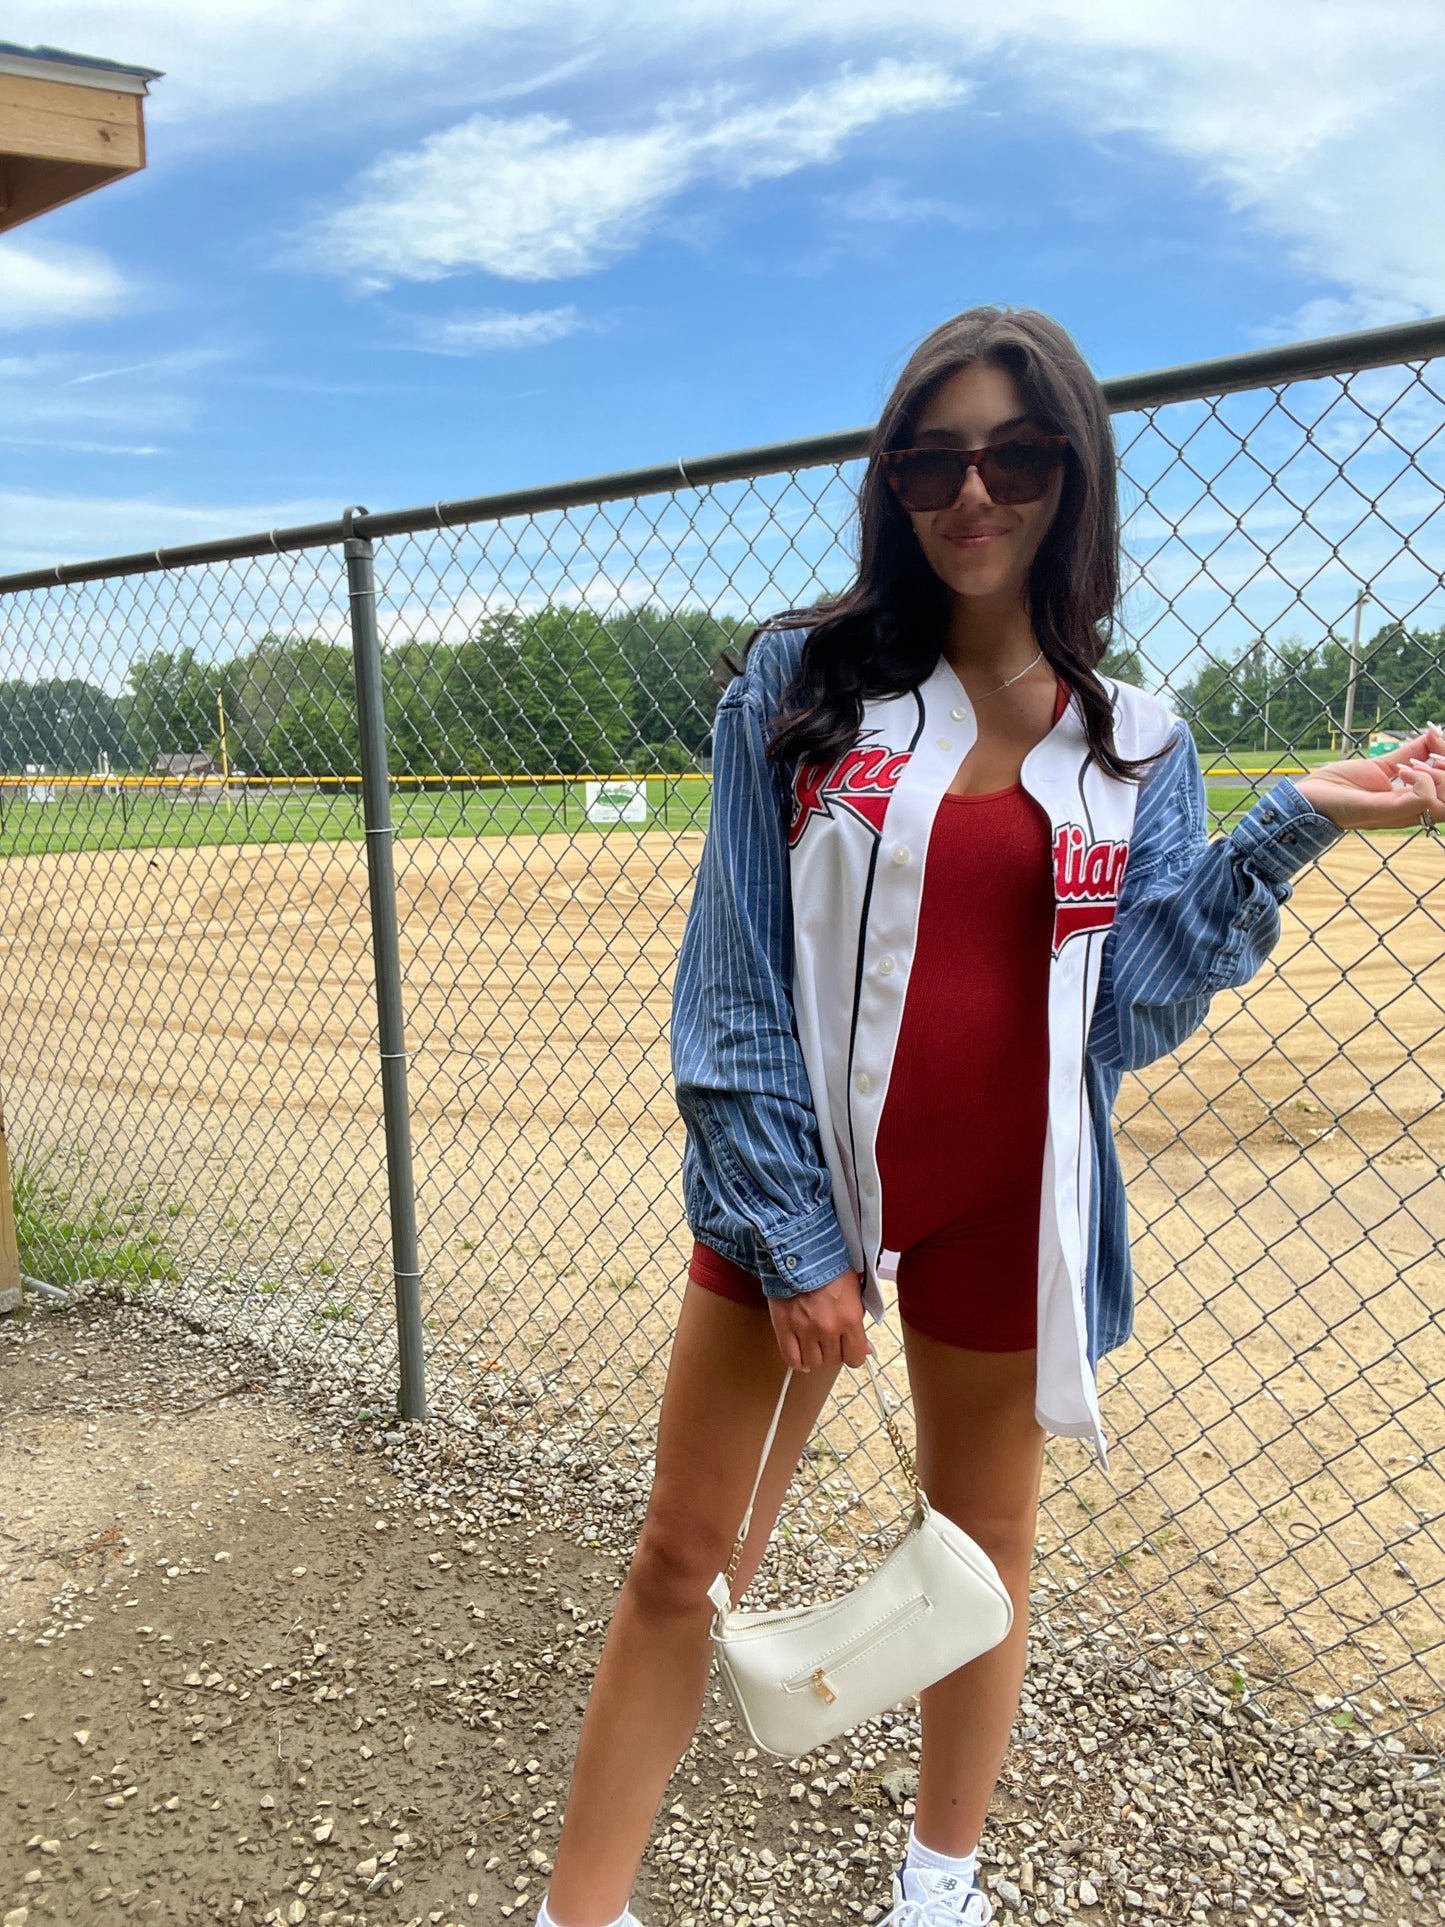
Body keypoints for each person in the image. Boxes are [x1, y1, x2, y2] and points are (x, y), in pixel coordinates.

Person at [535, 306, 1445, 1927]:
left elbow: (1137, 1001)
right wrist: (801, 1238)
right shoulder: (793, 690)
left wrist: (1289, 823)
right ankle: (572, 1915)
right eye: (935, 457)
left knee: (976, 1557)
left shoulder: (1134, 742)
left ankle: (937, 1891)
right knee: (683, 1561)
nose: (974, 491)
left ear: (1069, 478)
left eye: (1016, 455)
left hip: (1007, 1208)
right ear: (890, 480)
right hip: (785, 1204)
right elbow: (731, 998)